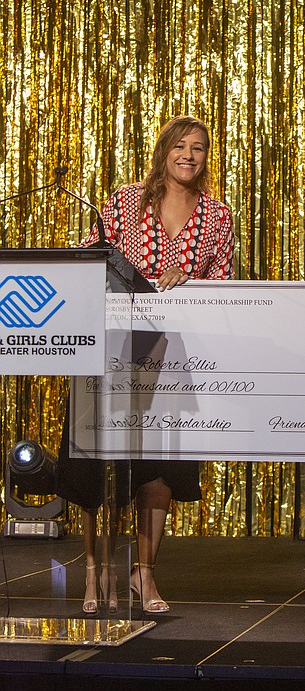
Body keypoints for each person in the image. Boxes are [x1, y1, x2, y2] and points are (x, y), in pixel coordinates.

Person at [56, 115, 234, 614]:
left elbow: (223, 286)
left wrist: (191, 282)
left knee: (160, 470)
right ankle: (93, 573)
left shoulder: (218, 217)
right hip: (108, 350)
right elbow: (89, 258)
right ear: (164, 151)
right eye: (181, 145)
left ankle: (144, 574)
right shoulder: (123, 201)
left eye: (199, 147)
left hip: (170, 353)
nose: (189, 155)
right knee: (94, 464)